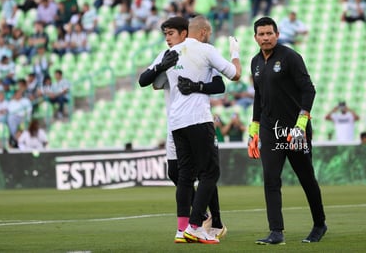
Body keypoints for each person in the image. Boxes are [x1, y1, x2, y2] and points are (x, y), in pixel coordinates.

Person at [138, 16, 231, 243]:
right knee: (178, 173)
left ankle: (211, 221)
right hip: (177, 122)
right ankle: (197, 221)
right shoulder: (166, 56)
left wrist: (196, 86)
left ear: (184, 33)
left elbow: (220, 84)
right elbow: (146, 80)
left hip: (192, 119)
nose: (167, 39)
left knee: (202, 172)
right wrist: (162, 66)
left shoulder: (200, 52)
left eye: (171, 34)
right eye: (165, 35)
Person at [249, 16, 327, 245]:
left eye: (269, 33)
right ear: (255, 37)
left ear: (277, 34)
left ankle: (320, 223)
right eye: (261, 34)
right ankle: (276, 232)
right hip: (270, 131)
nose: (265, 38)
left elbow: (309, 90)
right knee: (270, 179)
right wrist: (254, 129)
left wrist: (301, 124)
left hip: (295, 131)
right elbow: (258, 97)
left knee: (306, 178)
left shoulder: (290, 57)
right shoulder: (255, 62)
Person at [166, 15, 241, 244]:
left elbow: (150, 80)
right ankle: (196, 225)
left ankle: (186, 229)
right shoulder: (206, 49)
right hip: (198, 119)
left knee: (186, 175)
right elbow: (235, 75)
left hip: (175, 122)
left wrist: (196, 85)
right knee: (210, 172)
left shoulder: (171, 53)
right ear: (203, 32)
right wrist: (235, 54)